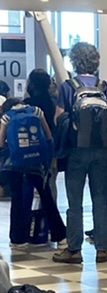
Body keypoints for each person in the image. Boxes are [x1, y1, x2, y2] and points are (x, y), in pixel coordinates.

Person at [53, 41, 107, 264]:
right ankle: (102, 249)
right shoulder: (103, 86)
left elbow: (59, 118)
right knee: (100, 198)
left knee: (75, 202)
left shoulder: (68, 87)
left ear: (74, 61)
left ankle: (74, 249)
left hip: (76, 151)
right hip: (100, 150)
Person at [0, 98, 66, 248]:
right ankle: (60, 235)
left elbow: (0, 143)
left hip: (15, 165)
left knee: (17, 200)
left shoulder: (7, 117)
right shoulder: (37, 112)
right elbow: (49, 137)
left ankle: (18, 239)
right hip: (37, 164)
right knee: (47, 198)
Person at [24, 69, 59, 201]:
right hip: (51, 147)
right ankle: (50, 211)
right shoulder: (54, 102)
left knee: (30, 182)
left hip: (31, 147)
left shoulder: (28, 103)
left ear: (32, 84)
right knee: (50, 182)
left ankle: (32, 212)